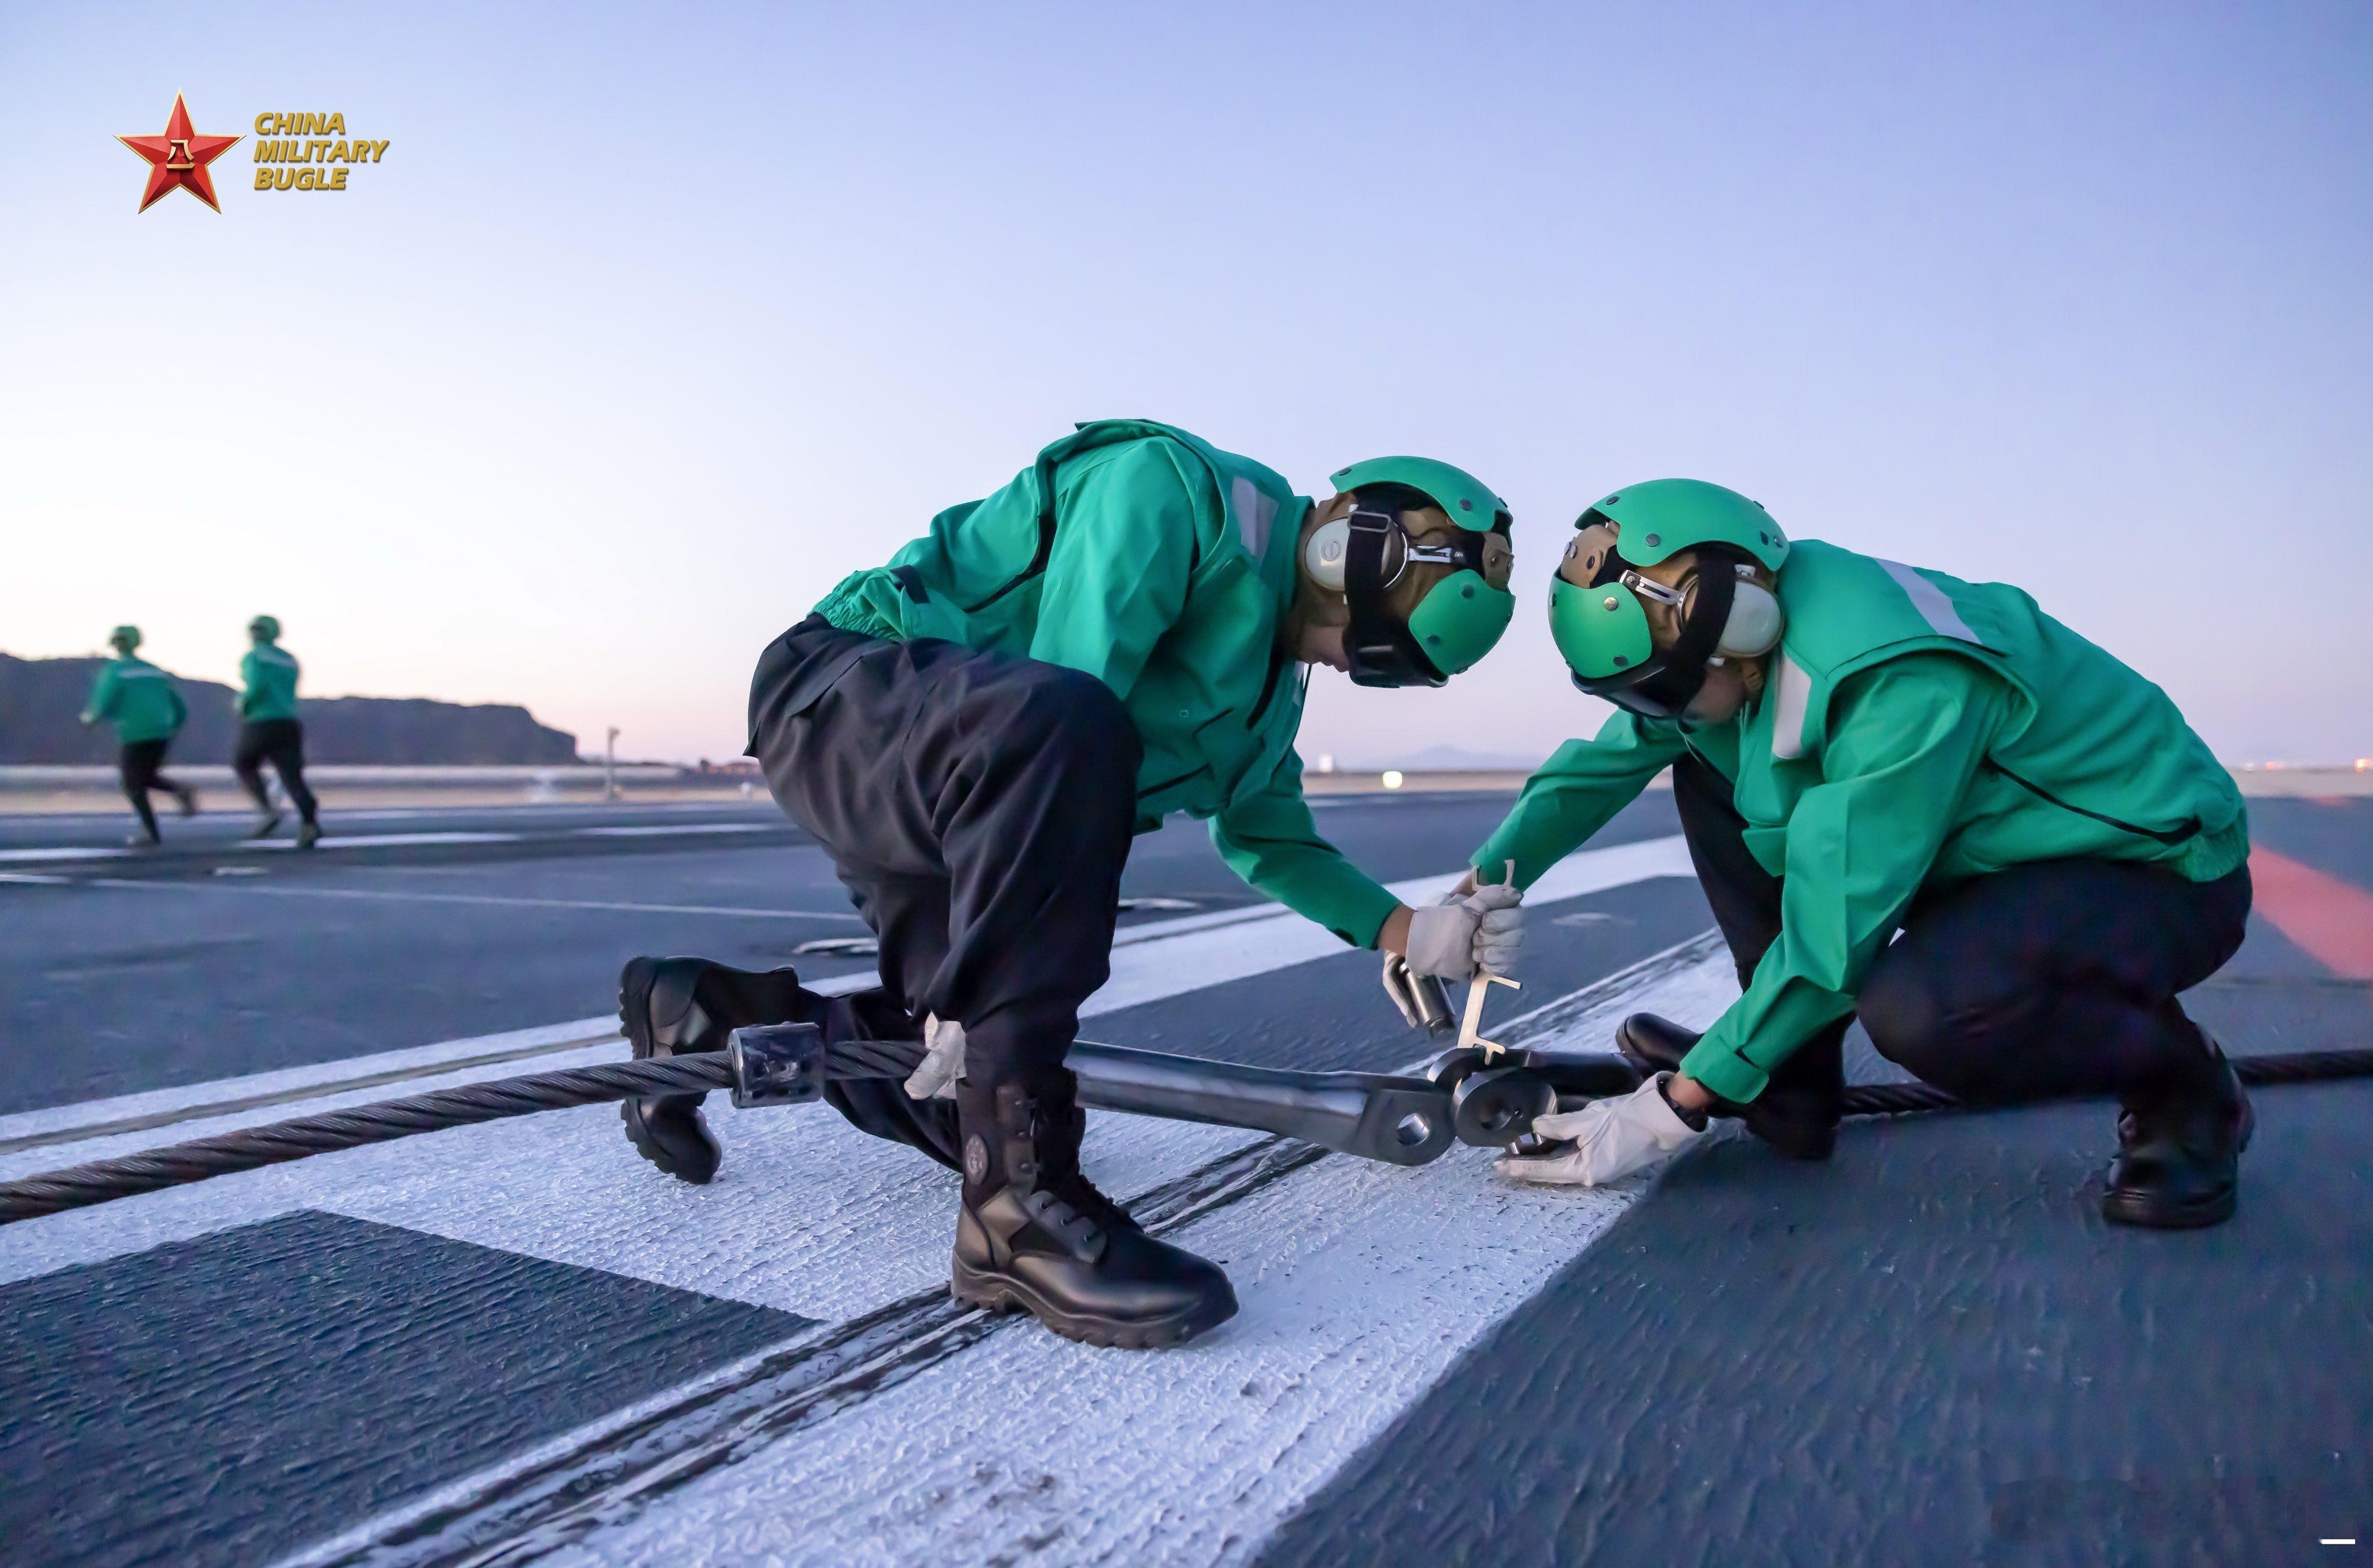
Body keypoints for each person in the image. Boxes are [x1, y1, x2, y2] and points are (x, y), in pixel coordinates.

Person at [618, 419, 1524, 1348]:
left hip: (966, 776)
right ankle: (1013, 1217)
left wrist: (1411, 929)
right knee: (1013, 1059)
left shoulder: (1265, 696)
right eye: (1352, 638)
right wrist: (1002, 1012)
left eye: (1367, 665)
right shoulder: (1171, 491)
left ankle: (704, 1011)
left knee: (965, 1098)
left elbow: (1271, 839)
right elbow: (1058, 700)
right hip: (852, 694)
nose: (1335, 658)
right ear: (1347, 551)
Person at [1479, 480, 2252, 1230]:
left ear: (1741, 627)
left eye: (1657, 692)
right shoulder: (1726, 623)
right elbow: (1597, 770)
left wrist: (1671, 1107)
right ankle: (1790, 1079)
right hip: (1986, 850)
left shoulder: (1899, 678)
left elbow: (1830, 942)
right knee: (1707, 759)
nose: (1650, 713)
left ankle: (2184, 1086)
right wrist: (1477, 893)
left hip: (2149, 869)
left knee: (1927, 1009)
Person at [79, 626, 198, 846]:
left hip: (134, 733)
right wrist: (172, 728)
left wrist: (89, 719)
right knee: (145, 776)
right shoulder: (156, 672)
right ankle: (180, 791)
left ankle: (151, 832)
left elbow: (104, 701)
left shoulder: (115, 671)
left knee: (132, 784)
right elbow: (180, 707)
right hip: (160, 732)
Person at [232, 615, 321, 847]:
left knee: (244, 764)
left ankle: (268, 810)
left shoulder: (254, 657)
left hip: (261, 721)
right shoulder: (289, 660)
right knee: (291, 775)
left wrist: (243, 704)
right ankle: (310, 822)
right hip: (289, 721)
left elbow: (256, 686)